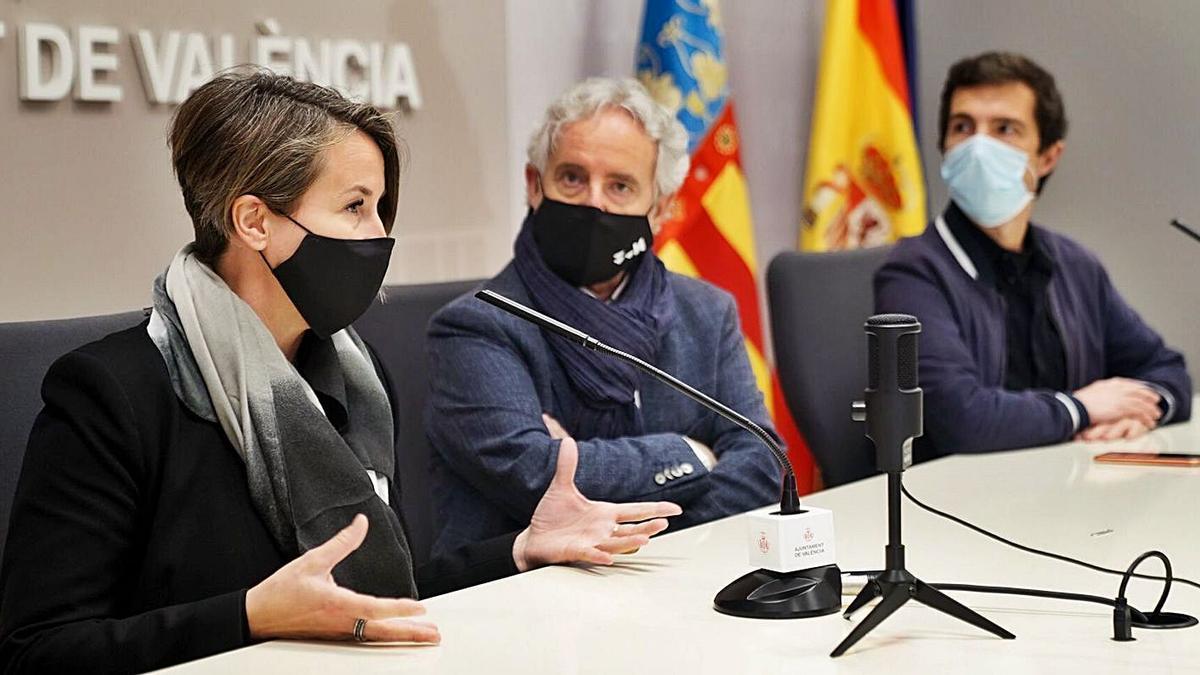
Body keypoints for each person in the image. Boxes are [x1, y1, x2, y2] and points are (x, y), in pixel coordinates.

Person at [0, 70, 681, 674]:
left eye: (382, 208)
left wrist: (522, 549)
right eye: (355, 206)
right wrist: (248, 615)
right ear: (254, 221)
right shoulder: (112, 393)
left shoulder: (354, 375)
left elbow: (383, 589)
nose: (379, 235)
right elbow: (38, 648)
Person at [425, 78, 780, 556]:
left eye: (620, 185)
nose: (594, 202)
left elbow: (762, 462)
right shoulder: (477, 326)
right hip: (524, 598)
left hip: (675, 582)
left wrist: (632, 523)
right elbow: (536, 476)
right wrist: (693, 454)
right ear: (534, 185)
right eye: (572, 177)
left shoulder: (706, 313)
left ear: (660, 210)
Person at [874, 51, 1191, 460]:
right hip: (956, 503)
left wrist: (1142, 409)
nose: (978, 146)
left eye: (1004, 128)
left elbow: (1167, 369)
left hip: (1067, 486)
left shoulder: (1075, 265)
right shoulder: (914, 272)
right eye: (962, 127)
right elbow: (962, 420)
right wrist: (1082, 408)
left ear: (1048, 157)